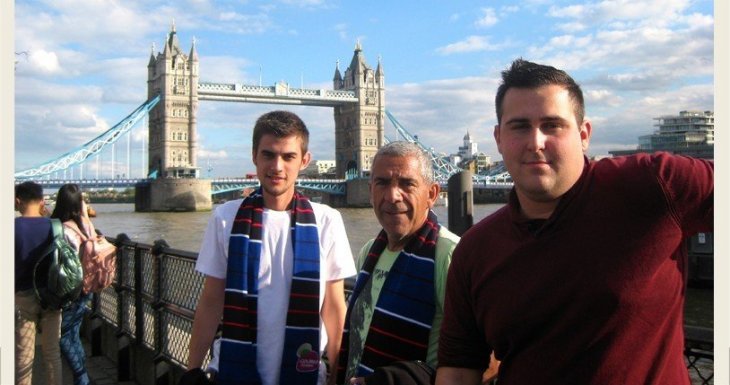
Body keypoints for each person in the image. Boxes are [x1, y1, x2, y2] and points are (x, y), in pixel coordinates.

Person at [436, 59, 714, 385]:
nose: (536, 142)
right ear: (498, 139)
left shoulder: (654, 185)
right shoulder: (474, 250)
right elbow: (458, 368)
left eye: (553, 125)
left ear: (584, 135)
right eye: (520, 126)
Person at [183, 110, 357, 385]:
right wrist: (192, 370)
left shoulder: (327, 221)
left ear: (304, 161)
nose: (277, 166)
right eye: (268, 154)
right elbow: (211, 299)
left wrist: (339, 371)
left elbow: (334, 306)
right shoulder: (225, 217)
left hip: (308, 374)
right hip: (231, 371)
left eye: (288, 156)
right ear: (255, 156)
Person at [333, 141, 460, 385]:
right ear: (371, 191)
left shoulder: (451, 254)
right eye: (382, 183)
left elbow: (488, 357)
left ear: (432, 194)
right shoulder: (370, 251)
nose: (392, 195)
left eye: (406, 183)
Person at [15, 181, 63, 385]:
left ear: (18, 201)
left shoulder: (11, 228)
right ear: (43, 201)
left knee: (24, 355)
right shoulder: (55, 226)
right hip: (52, 295)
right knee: (52, 352)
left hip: (22, 295)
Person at [51, 183, 97, 385]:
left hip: (70, 288)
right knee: (73, 330)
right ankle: (82, 372)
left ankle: (81, 376)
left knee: (61, 335)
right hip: (88, 285)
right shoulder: (86, 225)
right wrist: (84, 206)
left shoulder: (62, 229)